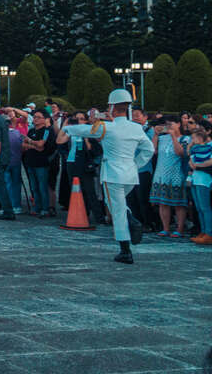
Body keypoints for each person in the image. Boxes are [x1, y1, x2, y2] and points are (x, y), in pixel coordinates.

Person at [60, 89, 154, 264]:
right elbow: (149, 150)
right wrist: (135, 164)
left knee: (117, 211)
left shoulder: (106, 127)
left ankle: (126, 249)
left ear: (112, 107)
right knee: (119, 206)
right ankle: (130, 225)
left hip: (112, 174)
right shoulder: (135, 127)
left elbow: (84, 130)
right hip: (130, 175)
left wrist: (67, 127)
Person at [148, 116, 190, 237]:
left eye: (171, 124)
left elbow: (181, 153)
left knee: (178, 203)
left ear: (178, 124)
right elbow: (152, 151)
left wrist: (173, 136)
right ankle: (165, 228)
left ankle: (180, 229)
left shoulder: (185, 138)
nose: (168, 127)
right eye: (166, 125)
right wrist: (155, 135)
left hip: (176, 173)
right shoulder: (162, 138)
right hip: (161, 173)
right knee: (163, 203)